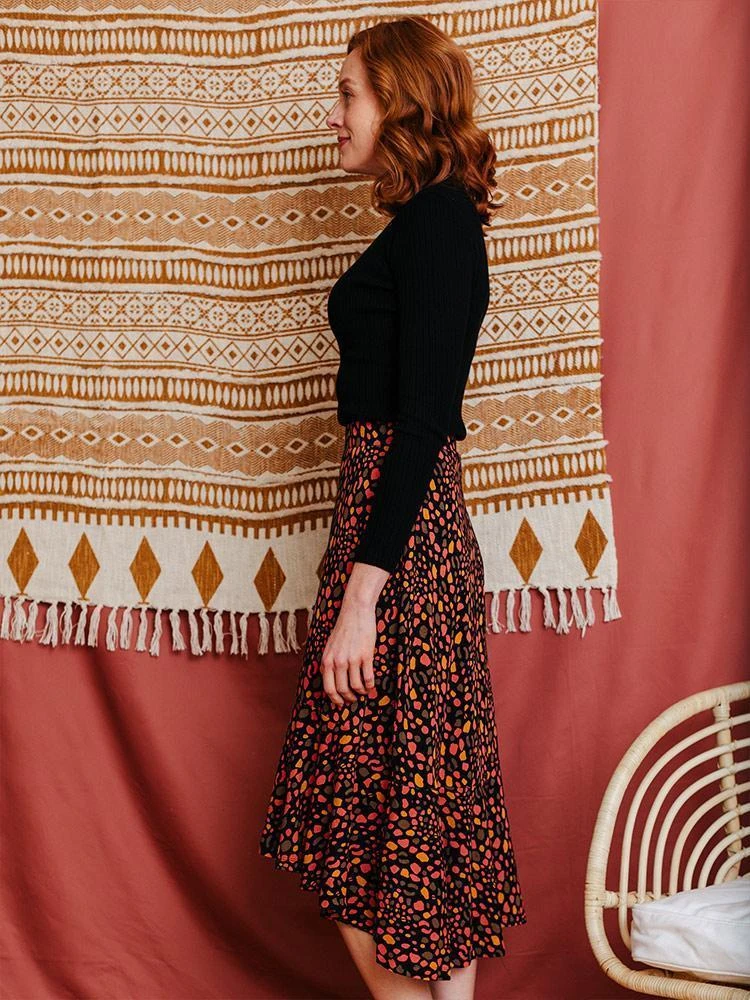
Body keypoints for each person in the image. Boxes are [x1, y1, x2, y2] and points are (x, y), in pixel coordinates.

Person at [259, 15, 526, 1000]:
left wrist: (363, 599)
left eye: (348, 94)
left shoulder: (441, 225)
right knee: (407, 821)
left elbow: (423, 425)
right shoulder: (424, 224)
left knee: (393, 821)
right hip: (390, 527)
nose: (334, 115)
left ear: (400, 103)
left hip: (402, 543)